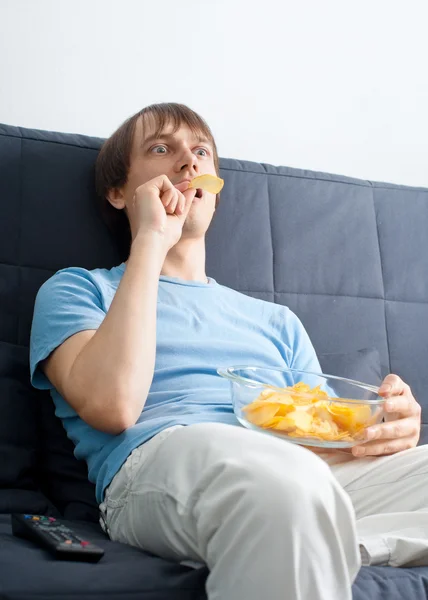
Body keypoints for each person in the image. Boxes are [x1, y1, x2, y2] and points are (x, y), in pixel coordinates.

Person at [29, 103, 425, 600]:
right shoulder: (78, 291)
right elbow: (112, 407)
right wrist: (152, 237)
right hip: (165, 459)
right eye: (161, 148)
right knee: (288, 486)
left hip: (310, 473)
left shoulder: (277, 321)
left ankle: (316, 541)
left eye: (200, 152)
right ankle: (313, 536)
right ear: (117, 192)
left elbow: (329, 438)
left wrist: (385, 429)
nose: (188, 163)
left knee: (303, 483)